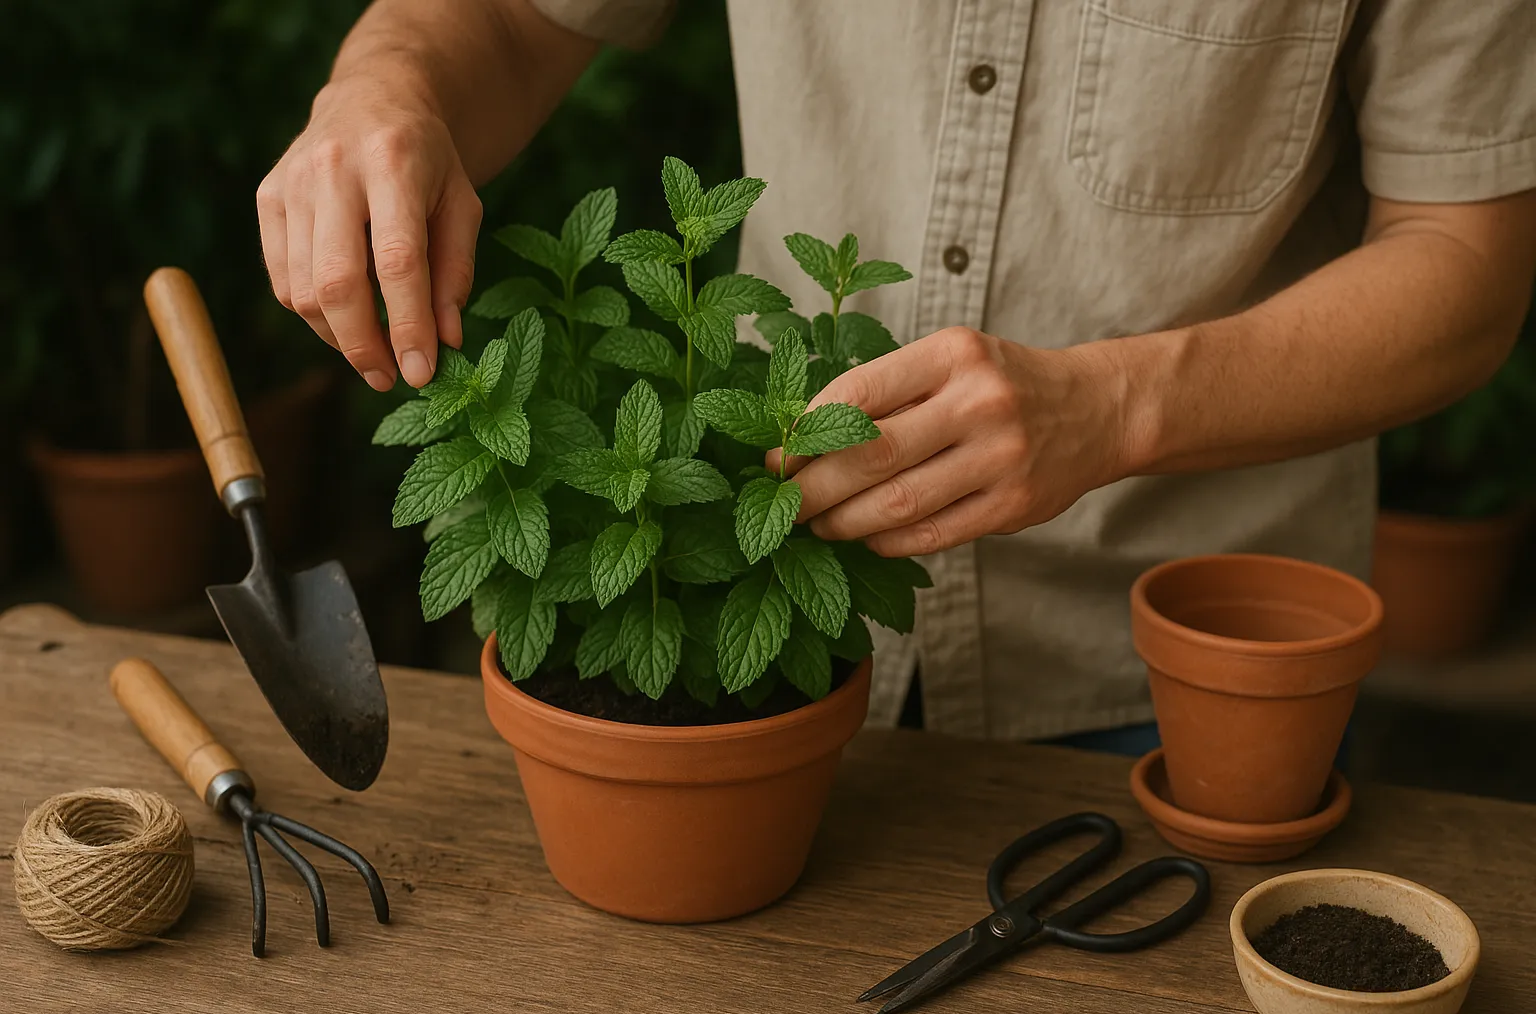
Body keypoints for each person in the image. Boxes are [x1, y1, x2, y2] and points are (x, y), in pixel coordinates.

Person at [258, 0, 1536, 750]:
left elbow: (1465, 261)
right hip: (782, 588)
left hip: (1182, 660)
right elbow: (509, 19)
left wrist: (1116, 403)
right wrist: (387, 87)